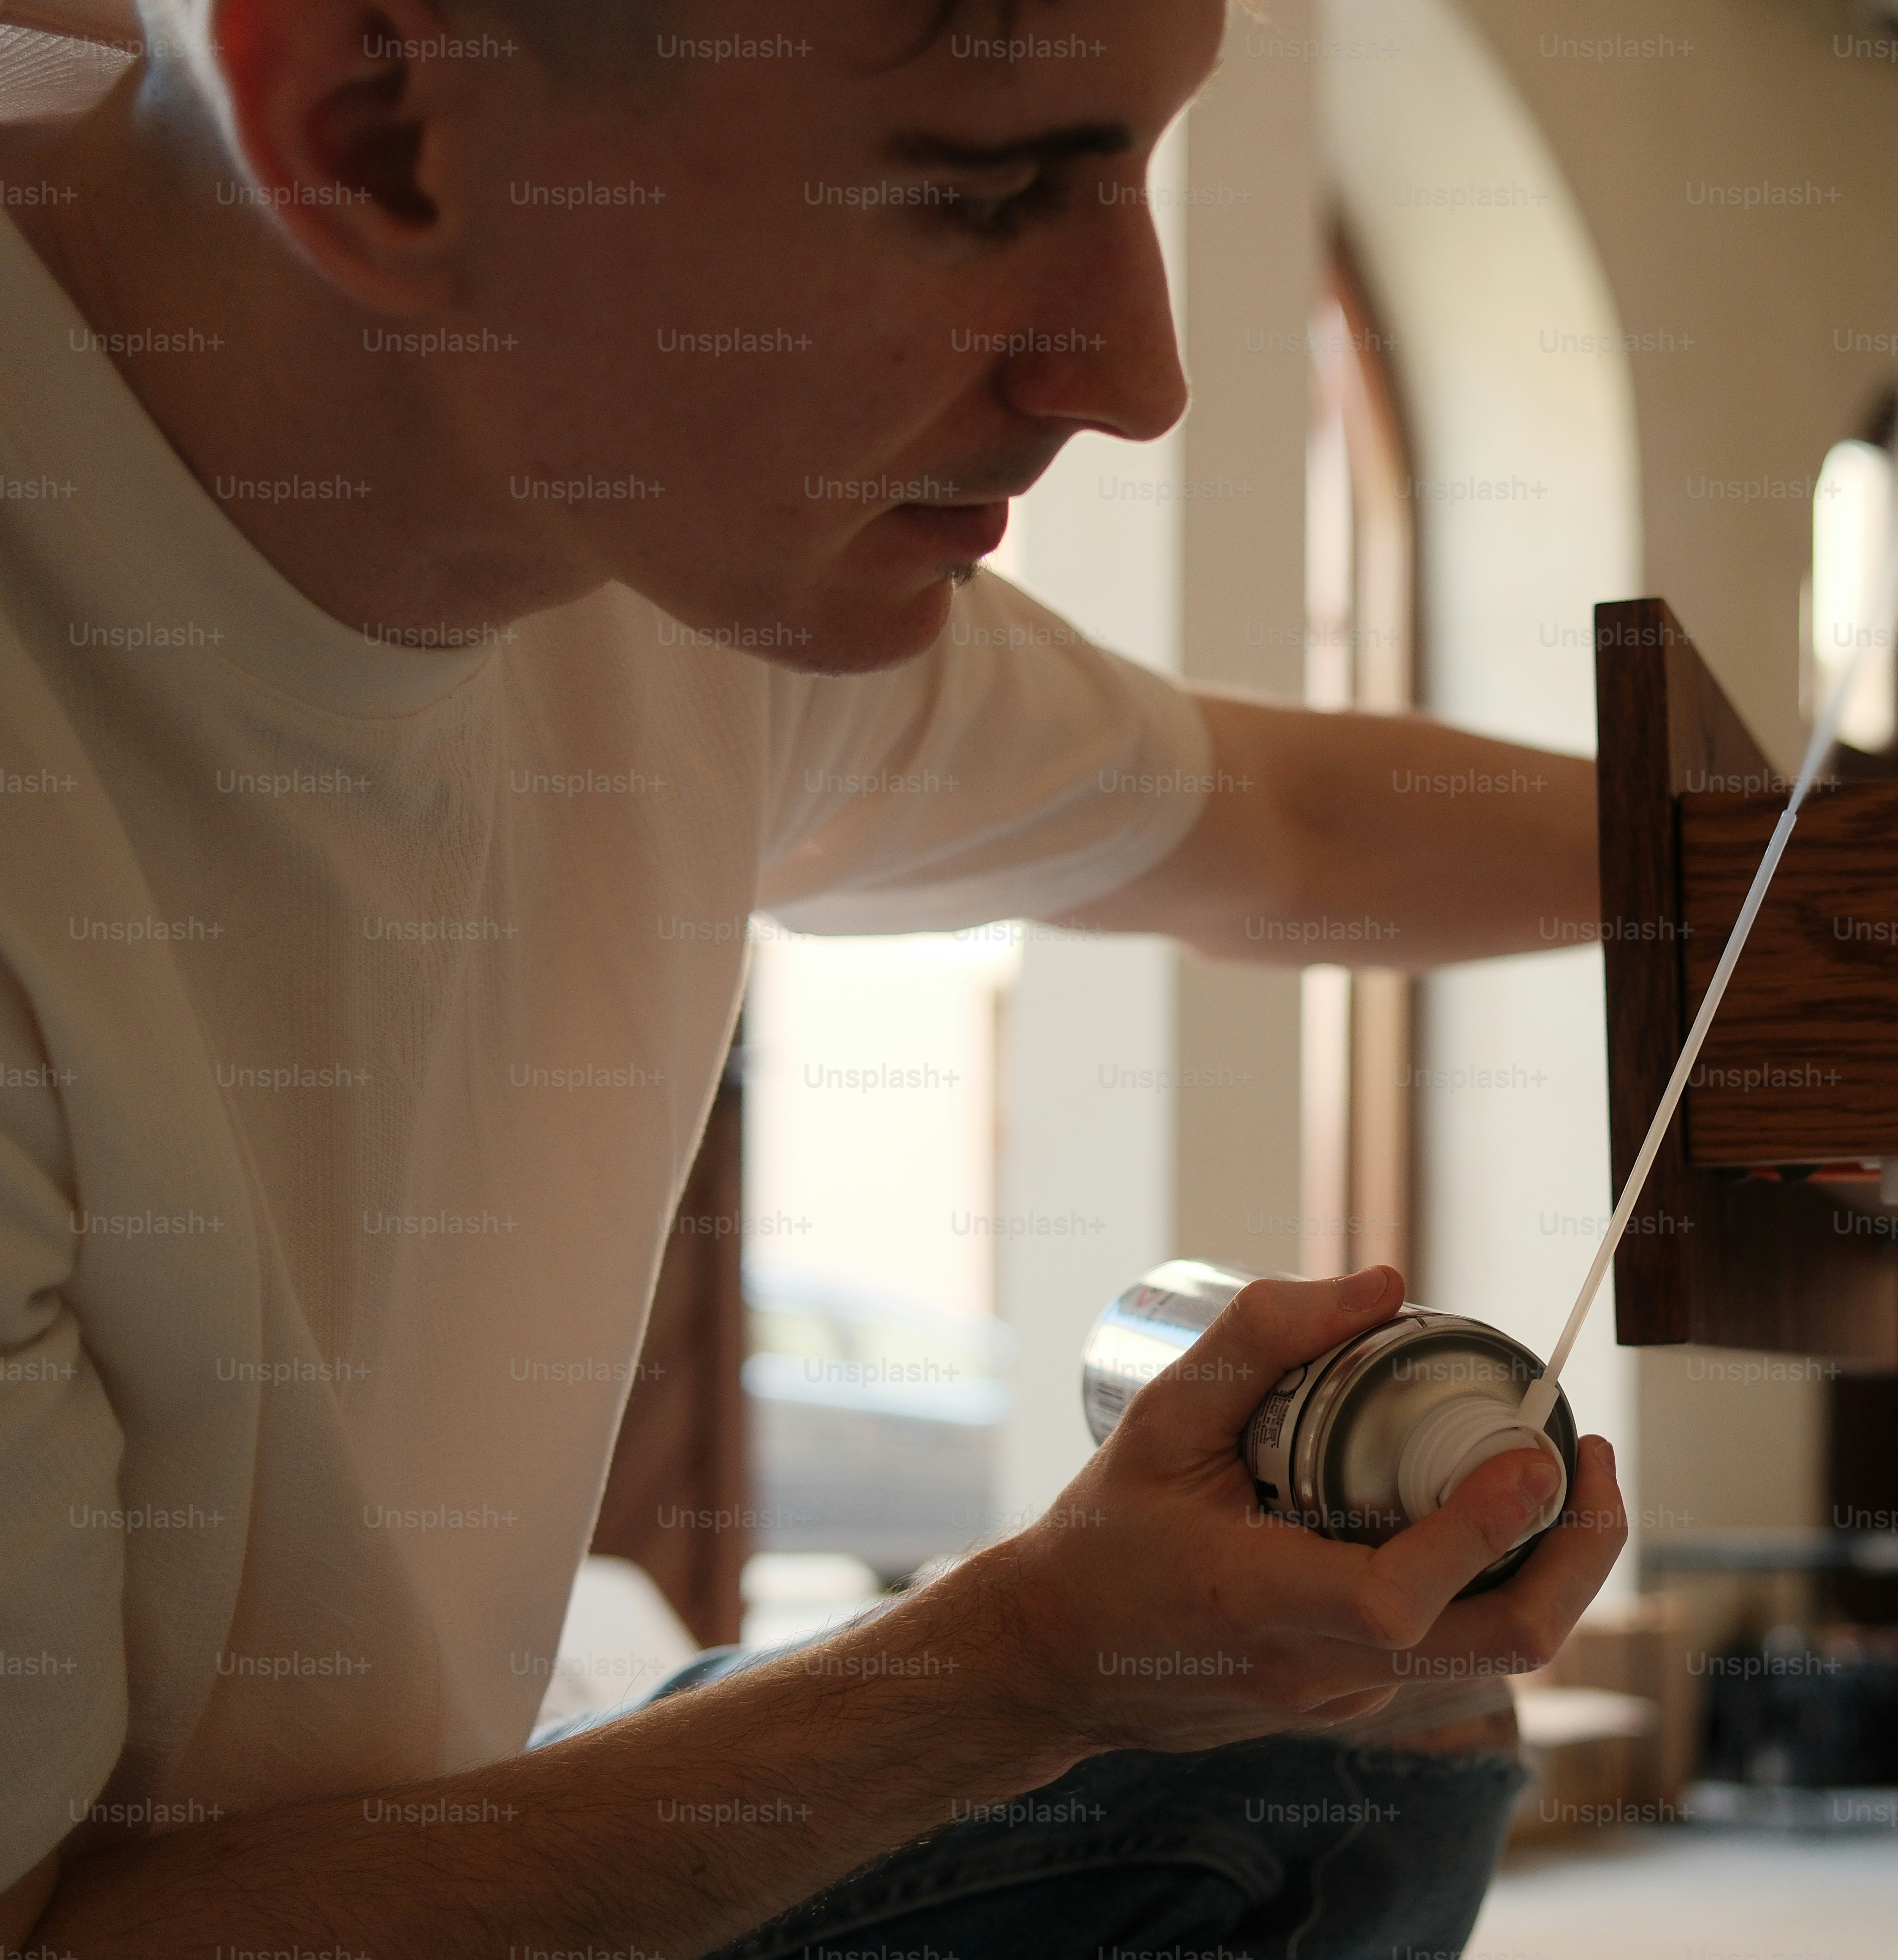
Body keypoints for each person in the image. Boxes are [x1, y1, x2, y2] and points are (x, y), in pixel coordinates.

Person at [0, 0, 1629, 1953]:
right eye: (983, 188)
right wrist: (1015, 1667)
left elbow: (1281, 824)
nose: (1141, 376)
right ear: (375, 135)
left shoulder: (651, 540)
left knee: (1368, 1723)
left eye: (1134, 165)